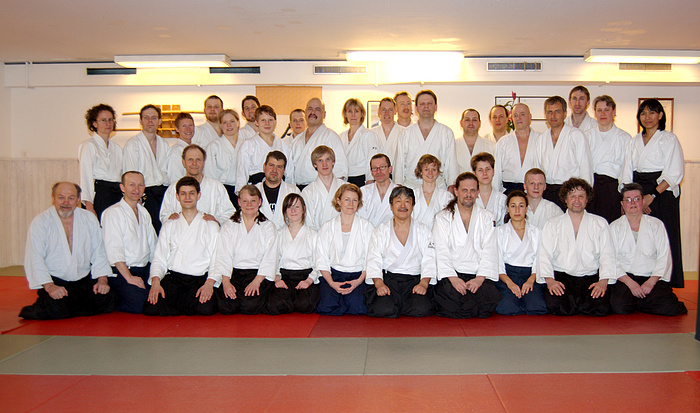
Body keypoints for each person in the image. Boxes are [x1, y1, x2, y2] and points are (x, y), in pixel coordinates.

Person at [20, 182, 115, 319]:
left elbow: (99, 250)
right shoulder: (41, 222)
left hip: (82, 279)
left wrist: (102, 280)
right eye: (61, 197)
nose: (66, 202)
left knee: (107, 300)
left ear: (78, 200)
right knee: (55, 309)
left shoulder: (88, 218)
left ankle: (70, 305)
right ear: (53, 198)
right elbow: (34, 257)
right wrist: (50, 287)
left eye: (71, 198)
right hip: (56, 280)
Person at [619, 98, 685, 288]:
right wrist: (634, 199)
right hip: (637, 192)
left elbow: (674, 173)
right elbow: (626, 172)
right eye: (643, 113)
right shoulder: (634, 142)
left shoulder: (669, 139)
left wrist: (651, 196)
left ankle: (664, 283)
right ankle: (638, 279)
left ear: (660, 115)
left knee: (664, 237)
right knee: (639, 236)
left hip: (661, 194)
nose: (647, 117)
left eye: (652, 112)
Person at [537, 178, 615, 316]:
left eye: (581, 196)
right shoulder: (552, 224)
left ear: (587, 199)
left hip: (590, 278)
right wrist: (550, 281)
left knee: (601, 307)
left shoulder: (600, 223)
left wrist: (603, 281)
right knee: (556, 305)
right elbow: (544, 254)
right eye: (572, 196)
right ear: (565, 199)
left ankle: (580, 304)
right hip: (562, 278)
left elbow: (607, 254)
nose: (577, 200)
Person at [143, 177, 219, 316]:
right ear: (177, 197)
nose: (187, 197)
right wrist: (156, 282)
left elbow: (217, 258)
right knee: (151, 308)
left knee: (206, 309)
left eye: (191, 193)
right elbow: (159, 257)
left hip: (198, 279)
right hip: (174, 279)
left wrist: (209, 283)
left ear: (198, 195)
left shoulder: (211, 225)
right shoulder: (169, 224)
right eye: (183, 193)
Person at [608, 183, 687, 316]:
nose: (633, 203)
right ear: (622, 204)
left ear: (643, 201)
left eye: (637, 199)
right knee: (619, 307)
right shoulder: (614, 227)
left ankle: (641, 301)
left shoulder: (656, 224)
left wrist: (651, 282)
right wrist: (631, 284)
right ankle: (644, 301)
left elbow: (664, 256)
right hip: (626, 278)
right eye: (628, 199)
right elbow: (610, 259)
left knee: (670, 308)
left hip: (651, 277)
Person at [432, 173, 501, 319]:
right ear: (456, 191)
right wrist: (453, 278)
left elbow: (490, 250)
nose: (468, 195)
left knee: (489, 297)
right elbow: (441, 251)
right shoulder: (443, 217)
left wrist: (479, 279)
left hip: (478, 274)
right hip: (453, 273)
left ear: (477, 192)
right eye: (464, 190)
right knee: (448, 297)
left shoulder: (487, 217)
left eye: (472, 190)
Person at [364, 186, 437, 318]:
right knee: (383, 309)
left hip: (414, 281)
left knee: (422, 309)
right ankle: (397, 305)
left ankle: (401, 305)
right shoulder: (381, 230)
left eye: (407, 201)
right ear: (391, 206)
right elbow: (373, 259)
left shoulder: (423, 230)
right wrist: (379, 284)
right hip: (389, 281)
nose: (403, 205)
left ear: (413, 205)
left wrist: (423, 283)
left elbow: (429, 259)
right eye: (398, 201)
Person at [213, 185, 278, 315]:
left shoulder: (268, 226)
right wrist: (226, 282)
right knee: (227, 307)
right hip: (234, 274)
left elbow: (270, 258)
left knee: (249, 306)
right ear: (239, 202)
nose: (249, 205)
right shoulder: (229, 225)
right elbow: (223, 255)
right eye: (245, 201)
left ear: (260, 202)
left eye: (253, 201)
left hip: (258, 274)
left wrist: (256, 282)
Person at [101, 171, 157, 313]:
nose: (136, 189)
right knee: (144, 304)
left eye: (140, 185)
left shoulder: (143, 212)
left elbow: (153, 245)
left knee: (160, 297)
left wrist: (156, 275)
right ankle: (113, 297)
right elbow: (114, 249)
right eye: (131, 185)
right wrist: (129, 277)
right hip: (122, 272)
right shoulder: (113, 213)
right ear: (122, 187)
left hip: (143, 270)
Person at [315, 184, 375, 315]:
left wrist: (358, 281)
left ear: (359, 203)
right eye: (347, 199)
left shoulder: (367, 227)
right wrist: (331, 283)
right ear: (338, 201)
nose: (351, 204)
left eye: (355, 200)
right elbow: (321, 259)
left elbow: (371, 258)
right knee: (327, 307)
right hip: (333, 275)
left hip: (358, 276)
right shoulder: (327, 227)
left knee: (358, 308)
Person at [535, 96, 593, 210]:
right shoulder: (541, 139)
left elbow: (585, 168)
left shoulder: (576, 135)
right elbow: (537, 169)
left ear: (565, 113)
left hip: (569, 193)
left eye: (557, 111)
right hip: (547, 192)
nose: (553, 116)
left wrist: (583, 196)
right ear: (545, 115)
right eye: (550, 112)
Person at [266, 193, 320, 314]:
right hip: (284, 277)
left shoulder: (313, 234)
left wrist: (309, 280)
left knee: (304, 305)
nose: (293, 211)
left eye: (297, 207)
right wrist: (277, 278)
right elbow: (272, 260)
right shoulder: (279, 234)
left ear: (304, 209)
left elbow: (319, 262)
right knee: (275, 305)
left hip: (305, 276)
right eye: (289, 207)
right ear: (285, 211)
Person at [495, 191, 547, 315]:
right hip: (507, 275)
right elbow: (497, 261)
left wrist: (530, 280)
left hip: (530, 275)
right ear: (508, 209)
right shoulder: (499, 231)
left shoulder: (536, 232)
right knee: (506, 308)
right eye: (513, 206)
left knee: (537, 307)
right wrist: (510, 283)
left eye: (521, 206)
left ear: (526, 208)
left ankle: (525, 299)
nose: (517, 210)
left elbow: (539, 259)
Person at [394, 90, 459, 188]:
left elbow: (452, 164)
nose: (426, 107)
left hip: (438, 188)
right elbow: (399, 165)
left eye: (429, 103)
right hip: (411, 188)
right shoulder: (406, 134)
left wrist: (451, 188)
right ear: (416, 108)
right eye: (422, 104)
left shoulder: (446, 133)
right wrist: (398, 189)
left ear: (435, 107)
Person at [122, 104, 170, 233]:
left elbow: (168, 173)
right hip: (145, 195)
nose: (150, 121)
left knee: (164, 232)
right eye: (146, 118)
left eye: (154, 118)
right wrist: (135, 199)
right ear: (140, 121)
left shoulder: (164, 144)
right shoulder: (133, 144)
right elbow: (130, 175)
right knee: (148, 232)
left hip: (163, 194)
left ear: (159, 121)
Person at [159, 144, 235, 225]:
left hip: (209, 231)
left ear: (203, 163)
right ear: (183, 162)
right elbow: (164, 214)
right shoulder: (173, 188)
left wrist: (216, 221)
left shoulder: (216, 186)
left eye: (198, 160)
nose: (194, 163)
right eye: (190, 160)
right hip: (181, 232)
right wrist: (170, 219)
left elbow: (230, 213)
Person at [585, 95, 630, 223]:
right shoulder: (587, 136)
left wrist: (625, 197)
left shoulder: (624, 138)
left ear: (614, 111)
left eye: (606, 110)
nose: (603, 114)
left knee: (611, 225)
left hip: (612, 188)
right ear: (595, 113)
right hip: (591, 186)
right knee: (591, 225)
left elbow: (626, 169)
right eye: (599, 110)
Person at [78, 103, 122, 221]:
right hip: (99, 193)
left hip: (116, 193)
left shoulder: (117, 148)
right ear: (94, 123)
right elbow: (85, 176)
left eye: (110, 120)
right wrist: (88, 204)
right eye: (103, 120)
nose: (108, 124)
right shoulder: (89, 146)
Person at [292, 97, 348, 189]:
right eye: (310, 109)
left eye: (317, 109)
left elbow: (340, 169)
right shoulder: (297, 140)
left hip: (322, 188)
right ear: (305, 112)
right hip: (298, 188)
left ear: (324, 114)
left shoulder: (331, 136)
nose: (312, 112)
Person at [236, 105, 294, 190]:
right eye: (263, 120)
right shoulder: (248, 145)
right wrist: (241, 193)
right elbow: (241, 174)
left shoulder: (284, 145)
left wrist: (291, 192)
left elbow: (290, 174)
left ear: (275, 122)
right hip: (255, 190)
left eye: (270, 120)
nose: (267, 124)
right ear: (256, 122)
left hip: (280, 189)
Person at [494, 103, 540, 194]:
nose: (518, 118)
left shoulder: (541, 139)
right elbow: (496, 172)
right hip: (508, 191)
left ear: (530, 117)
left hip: (533, 190)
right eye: (515, 115)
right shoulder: (503, 142)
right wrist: (496, 194)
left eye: (522, 114)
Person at [204, 109, 243, 207]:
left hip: (242, 191)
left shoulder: (245, 145)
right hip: (222, 190)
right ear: (220, 125)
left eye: (232, 121)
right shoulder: (213, 146)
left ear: (238, 123)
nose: (229, 125)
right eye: (225, 122)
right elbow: (209, 174)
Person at [301, 145, 345, 230]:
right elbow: (307, 221)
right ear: (315, 165)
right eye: (320, 160)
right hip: (317, 235)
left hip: (342, 234)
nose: (324, 164)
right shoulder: (308, 191)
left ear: (333, 162)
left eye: (327, 159)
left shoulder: (345, 187)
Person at [340, 98, 380, 187]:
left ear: (362, 113)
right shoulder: (341, 136)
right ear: (345, 114)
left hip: (362, 179)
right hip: (345, 180)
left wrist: (370, 181)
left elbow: (372, 159)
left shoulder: (368, 135)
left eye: (356, 111)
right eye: (350, 111)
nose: (353, 115)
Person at [256, 151, 301, 229]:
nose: (274, 170)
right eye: (271, 165)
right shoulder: (254, 191)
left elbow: (300, 219)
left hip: (286, 235)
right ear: (264, 167)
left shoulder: (293, 191)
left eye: (279, 167)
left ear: (284, 170)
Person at [411, 154, 453, 229]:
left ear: (438, 172)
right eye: (426, 170)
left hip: (439, 234)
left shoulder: (447, 196)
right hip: (417, 234)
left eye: (433, 170)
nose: (430, 173)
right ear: (420, 171)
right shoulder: (413, 194)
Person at [357, 154, 397, 227]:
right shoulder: (363, 192)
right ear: (371, 172)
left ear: (390, 169)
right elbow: (361, 220)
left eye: (382, 167)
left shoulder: (399, 192)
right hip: (368, 232)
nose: (378, 171)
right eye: (375, 168)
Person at [455, 109, 495, 173]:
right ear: (461, 123)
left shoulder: (491, 146)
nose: (471, 123)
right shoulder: (453, 145)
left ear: (480, 123)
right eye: (467, 120)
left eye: (474, 120)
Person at [472, 152, 507, 226]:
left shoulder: (503, 199)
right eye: (480, 170)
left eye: (488, 169)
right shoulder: (470, 198)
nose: (485, 173)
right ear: (474, 173)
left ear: (493, 171)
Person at [370, 97, 405, 166]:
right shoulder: (371, 133)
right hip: (377, 171)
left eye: (390, 110)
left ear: (395, 111)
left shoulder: (404, 132)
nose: (387, 113)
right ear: (379, 112)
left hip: (397, 171)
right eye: (383, 110)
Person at [165, 112, 196, 184]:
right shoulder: (176, 151)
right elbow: (175, 179)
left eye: (190, 125)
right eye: (184, 126)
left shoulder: (195, 149)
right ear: (177, 129)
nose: (188, 129)